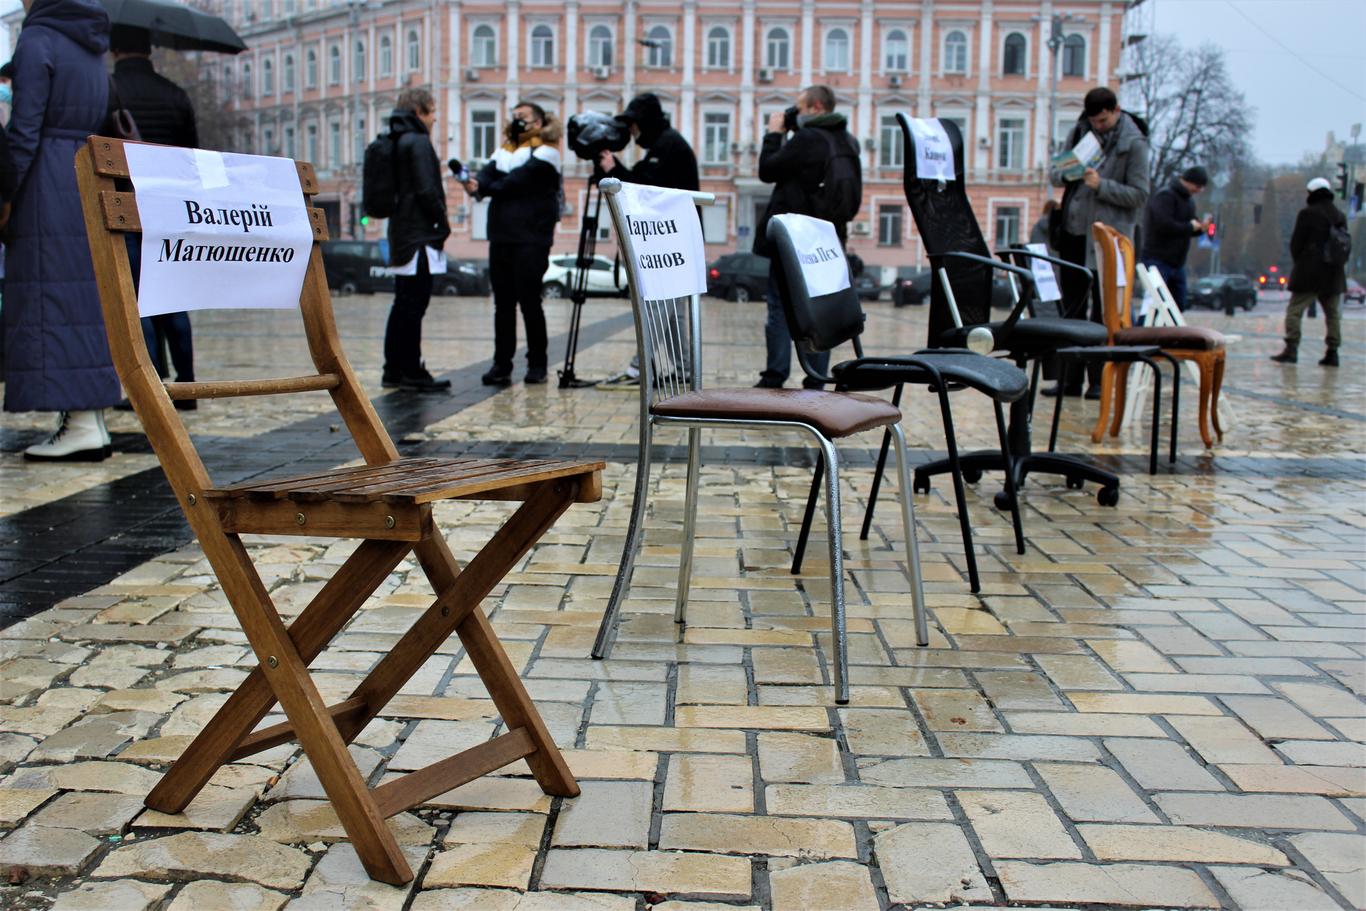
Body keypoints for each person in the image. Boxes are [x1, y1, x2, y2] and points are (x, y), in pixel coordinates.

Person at [4, 0, 117, 461]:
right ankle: (88, 419)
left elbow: (25, 127)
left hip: (44, 181)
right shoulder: (92, 44)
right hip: (82, 173)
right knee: (80, 300)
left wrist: (7, 191)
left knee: (49, 299)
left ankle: (80, 424)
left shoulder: (37, 39)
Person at [107, 24, 199, 409]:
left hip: (126, 206)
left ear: (114, 51)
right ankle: (189, 384)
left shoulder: (108, 91)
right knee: (172, 296)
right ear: (150, 50)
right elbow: (191, 153)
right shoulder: (175, 94)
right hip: (169, 207)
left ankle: (151, 383)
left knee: (137, 299)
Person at [753, 85, 860, 389]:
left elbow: (768, 169)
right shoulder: (848, 141)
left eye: (798, 108)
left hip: (795, 239)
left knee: (778, 305)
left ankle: (774, 375)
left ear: (815, 107)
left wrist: (774, 134)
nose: (794, 114)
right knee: (820, 308)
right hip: (827, 240)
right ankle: (815, 380)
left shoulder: (808, 138)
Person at [1046, 86, 1150, 397]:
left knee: (1103, 312)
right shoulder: (1081, 131)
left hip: (1109, 241)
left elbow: (1140, 195)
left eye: (1103, 120)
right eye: (1094, 121)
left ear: (1116, 111)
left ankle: (1098, 380)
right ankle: (1069, 380)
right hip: (1075, 233)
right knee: (1072, 308)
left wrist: (1101, 185)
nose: (1098, 126)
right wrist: (1068, 173)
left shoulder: (1134, 144)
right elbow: (1055, 173)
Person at [595, 92, 700, 389]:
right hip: (674, 238)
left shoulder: (667, 145)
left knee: (657, 305)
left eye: (633, 124)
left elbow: (646, 189)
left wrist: (612, 169)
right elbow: (646, 181)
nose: (631, 132)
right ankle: (682, 369)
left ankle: (639, 368)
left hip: (669, 238)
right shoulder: (665, 143)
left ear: (645, 122)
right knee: (673, 311)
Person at [465, 101, 562, 386]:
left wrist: (485, 188)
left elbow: (515, 183)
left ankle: (537, 364)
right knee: (503, 305)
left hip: (531, 239)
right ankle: (501, 364)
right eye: (515, 117)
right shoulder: (504, 151)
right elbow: (487, 174)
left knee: (530, 302)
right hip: (501, 236)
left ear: (539, 123)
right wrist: (476, 184)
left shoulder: (547, 152)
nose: (518, 121)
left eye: (524, 117)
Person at [382, 86, 451, 391]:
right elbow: (426, 190)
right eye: (432, 111)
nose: (435, 118)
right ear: (419, 112)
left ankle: (394, 369)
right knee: (414, 304)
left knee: (403, 303)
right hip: (420, 236)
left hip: (402, 233)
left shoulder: (395, 140)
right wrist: (441, 221)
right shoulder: (418, 141)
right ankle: (411, 369)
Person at [1271, 177, 1348, 367]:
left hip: (1310, 272)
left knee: (1295, 311)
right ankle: (1333, 352)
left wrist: (1301, 262)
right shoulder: (1339, 216)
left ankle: (1292, 348)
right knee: (1332, 314)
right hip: (1334, 273)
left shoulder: (1307, 214)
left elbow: (1297, 243)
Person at [1140, 166, 1210, 313]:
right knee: (1154, 302)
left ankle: (1168, 333)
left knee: (1177, 304)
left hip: (1176, 263)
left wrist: (1199, 229)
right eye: (1198, 186)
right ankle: (1143, 331)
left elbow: (1185, 228)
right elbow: (1163, 225)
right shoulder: (1165, 196)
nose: (1199, 190)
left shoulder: (1189, 202)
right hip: (1157, 258)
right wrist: (1191, 227)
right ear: (1189, 181)